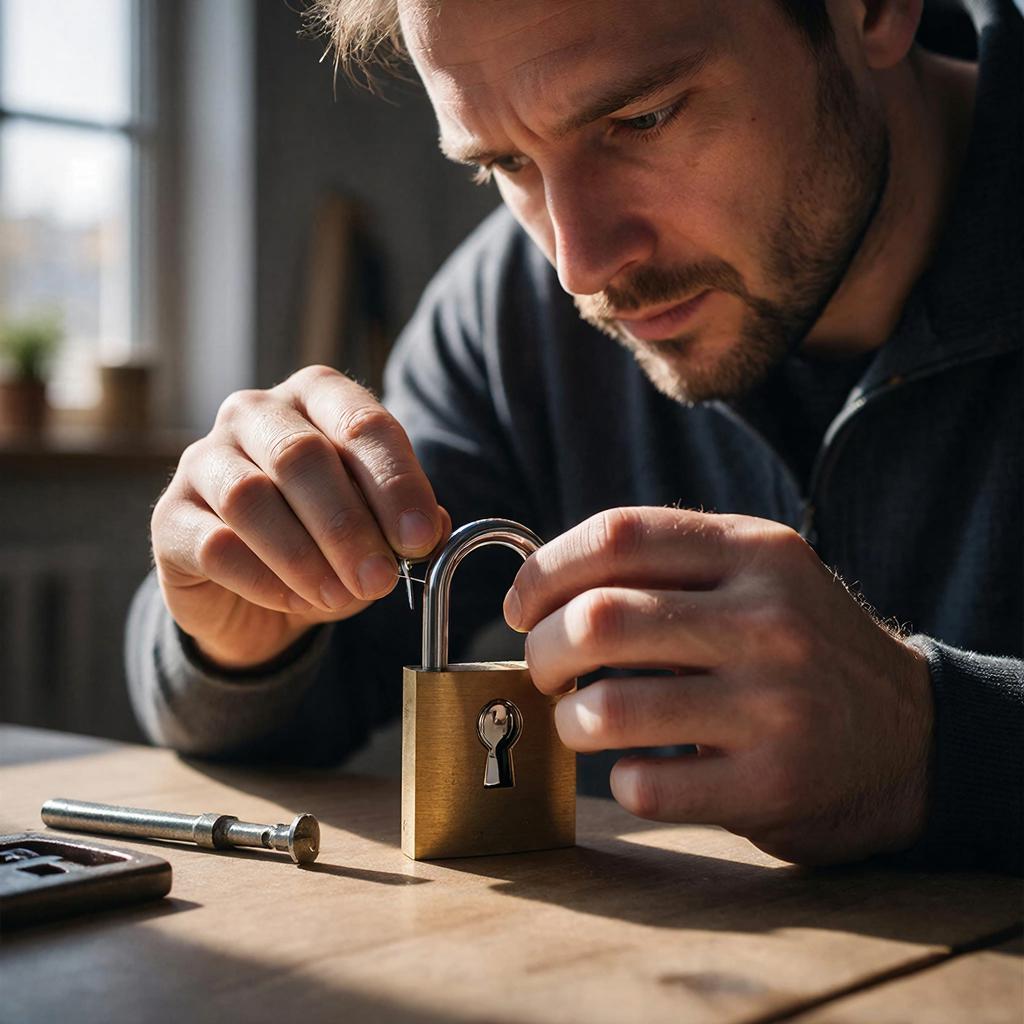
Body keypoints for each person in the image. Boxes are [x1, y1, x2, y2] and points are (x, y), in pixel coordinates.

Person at [127, 0, 1022, 874]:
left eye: (643, 118)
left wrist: (935, 736)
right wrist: (242, 630)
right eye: (506, 163)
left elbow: (940, 746)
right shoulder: (504, 316)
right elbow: (278, 701)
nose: (579, 267)